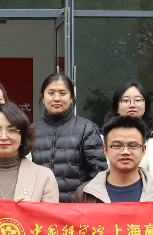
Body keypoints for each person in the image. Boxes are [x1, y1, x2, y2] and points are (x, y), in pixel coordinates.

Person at [31, 72, 106, 202]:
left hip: (76, 207)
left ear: (71, 97)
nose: (56, 98)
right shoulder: (31, 130)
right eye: (51, 93)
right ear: (43, 98)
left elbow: (98, 175)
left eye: (62, 93)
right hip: (41, 206)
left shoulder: (86, 128)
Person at [73, 115, 153, 203]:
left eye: (133, 146)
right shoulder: (84, 195)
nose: (125, 152)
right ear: (105, 150)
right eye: (117, 146)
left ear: (143, 150)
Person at [102, 81, 153, 180]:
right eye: (126, 100)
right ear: (117, 107)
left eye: (138, 100)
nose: (132, 105)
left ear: (146, 106)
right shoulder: (101, 140)